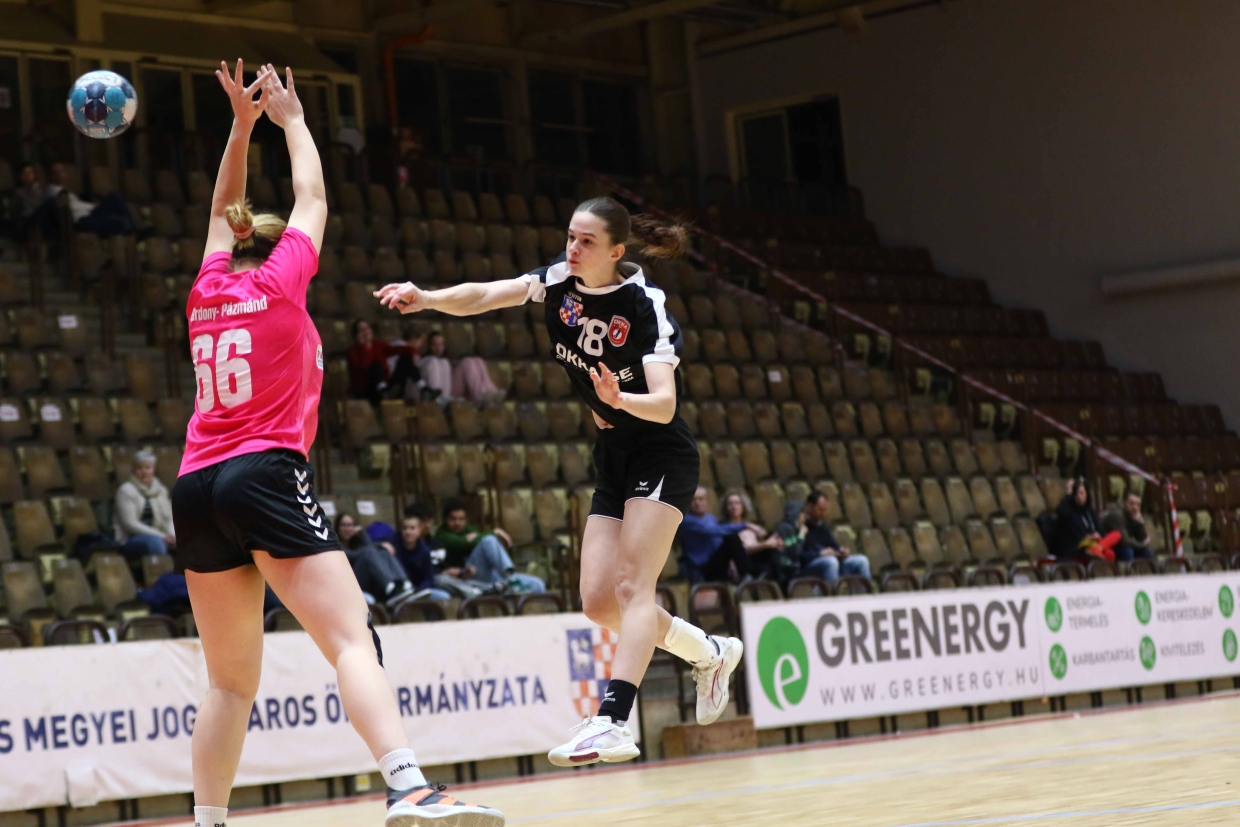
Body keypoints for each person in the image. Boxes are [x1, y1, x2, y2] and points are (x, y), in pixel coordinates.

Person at [170, 61, 500, 827]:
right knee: (353, 640)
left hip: (195, 487)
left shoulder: (205, 290)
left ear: (231, 245)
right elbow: (312, 196)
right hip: (262, 472)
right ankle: (408, 785)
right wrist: (292, 122)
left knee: (228, 683)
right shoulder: (281, 281)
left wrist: (240, 128)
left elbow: (221, 210)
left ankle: (208, 821)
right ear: (279, 250)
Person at [376, 195, 742, 769]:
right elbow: (487, 295)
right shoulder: (558, 281)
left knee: (633, 588)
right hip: (614, 457)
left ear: (615, 252)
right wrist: (428, 298)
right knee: (599, 602)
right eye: (570, 236)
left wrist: (620, 401)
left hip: (661, 454)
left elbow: (665, 404)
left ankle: (613, 722)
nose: (572, 248)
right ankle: (709, 651)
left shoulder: (645, 304)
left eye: (586, 241)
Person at [432, 499, 545, 593]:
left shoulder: (469, 529)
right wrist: (494, 532)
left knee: (537, 584)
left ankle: (510, 579)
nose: (457, 523)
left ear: (466, 520)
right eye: (453, 519)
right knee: (489, 540)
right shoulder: (441, 535)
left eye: (461, 519)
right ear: (445, 519)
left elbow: (479, 540)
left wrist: (477, 538)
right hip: (466, 577)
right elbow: (463, 544)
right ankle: (509, 579)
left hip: (489, 575)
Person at [677, 487, 774, 584]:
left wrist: (731, 561)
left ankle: (759, 573)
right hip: (701, 568)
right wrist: (746, 525)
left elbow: (718, 542)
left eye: (701, 499)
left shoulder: (710, 518)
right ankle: (746, 575)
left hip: (717, 563)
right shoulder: (687, 520)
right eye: (693, 500)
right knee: (732, 537)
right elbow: (714, 531)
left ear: (706, 501)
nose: (697, 503)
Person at [335, 513, 416, 609]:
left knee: (383, 551)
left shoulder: (357, 542)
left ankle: (404, 582)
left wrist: (362, 533)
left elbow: (371, 549)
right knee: (370, 551)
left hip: (368, 582)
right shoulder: (335, 543)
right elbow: (352, 556)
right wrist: (379, 545)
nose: (347, 529)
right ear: (337, 527)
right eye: (343, 525)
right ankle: (390, 587)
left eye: (350, 525)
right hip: (349, 583)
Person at [113, 450, 176, 558]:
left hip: (162, 534)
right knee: (157, 545)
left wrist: (173, 536)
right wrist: (162, 536)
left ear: (153, 470)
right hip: (132, 538)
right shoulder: (126, 490)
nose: (144, 471)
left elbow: (169, 519)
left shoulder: (161, 490)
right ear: (133, 470)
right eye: (139, 468)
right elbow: (130, 524)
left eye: (148, 467)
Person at [797, 491, 871, 582]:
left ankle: (865, 591)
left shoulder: (822, 526)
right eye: (820, 509)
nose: (823, 513)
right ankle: (833, 591)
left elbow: (833, 545)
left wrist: (840, 551)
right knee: (831, 562)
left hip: (830, 562)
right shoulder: (800, 526)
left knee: (862, 561)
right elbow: (798, 555)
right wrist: (819, 554)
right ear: (810, 506)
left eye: (824, 510)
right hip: (809, 566)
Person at [347, 319, 420, 406]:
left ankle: (423, 387)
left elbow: (395, 349)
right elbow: (364, 366)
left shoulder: (378, 344)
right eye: (361, 330)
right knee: (376, 364)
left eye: (367, 328)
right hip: (370, 390)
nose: (366, 332)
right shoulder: (354, 351)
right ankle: (384, 393)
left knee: (406, 358)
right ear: (356, 334)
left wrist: (413, 351)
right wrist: (362, 345)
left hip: (388, 386)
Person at [390, 507, 452, 601]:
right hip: (399, 590)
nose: (408, 532)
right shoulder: (393, 545)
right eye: (404, 528)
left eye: (412, 528)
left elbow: (428, 577)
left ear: (419, 531)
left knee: (444, 596)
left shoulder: (425, 551)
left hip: (418, 590)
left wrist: (421, 589)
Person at [1056, 478, 1121, 562]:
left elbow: (1100, 529)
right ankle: (1095, 550)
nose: (1079, 496)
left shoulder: (1090, 511)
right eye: (1076, 493)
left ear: (1087, 494)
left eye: (1082, 493)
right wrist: (1068, 493)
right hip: (1080, 545)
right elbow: (1061, 511)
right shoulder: (1070, 511)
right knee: (1109, 554)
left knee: (1116, 535)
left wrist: (1098, 534)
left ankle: (1097, 549)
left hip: (1094, 542)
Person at [1102, 491, 1154, 563]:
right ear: (1124, 503)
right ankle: (1126, 570)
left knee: (1146, 551)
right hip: (1108, 547)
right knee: (1128, 551)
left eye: (1138, 505)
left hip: (1123, 545)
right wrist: (1143, 545)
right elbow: (1125, 541)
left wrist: (1139, 523)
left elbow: (1143, 539)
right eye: (1131, 503)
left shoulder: (1133, 516)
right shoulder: (1117, 515)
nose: (1135, 507)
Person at [416, 331, 453, 401]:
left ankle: (444, 399)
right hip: (421, 393)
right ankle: (435, 398)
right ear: (429, 346)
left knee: (445, 362)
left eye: (441, 344)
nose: (438, 348)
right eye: (434, 345)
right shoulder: (425, 361)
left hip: (443, 398)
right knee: (433, 361)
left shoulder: (443, 362)